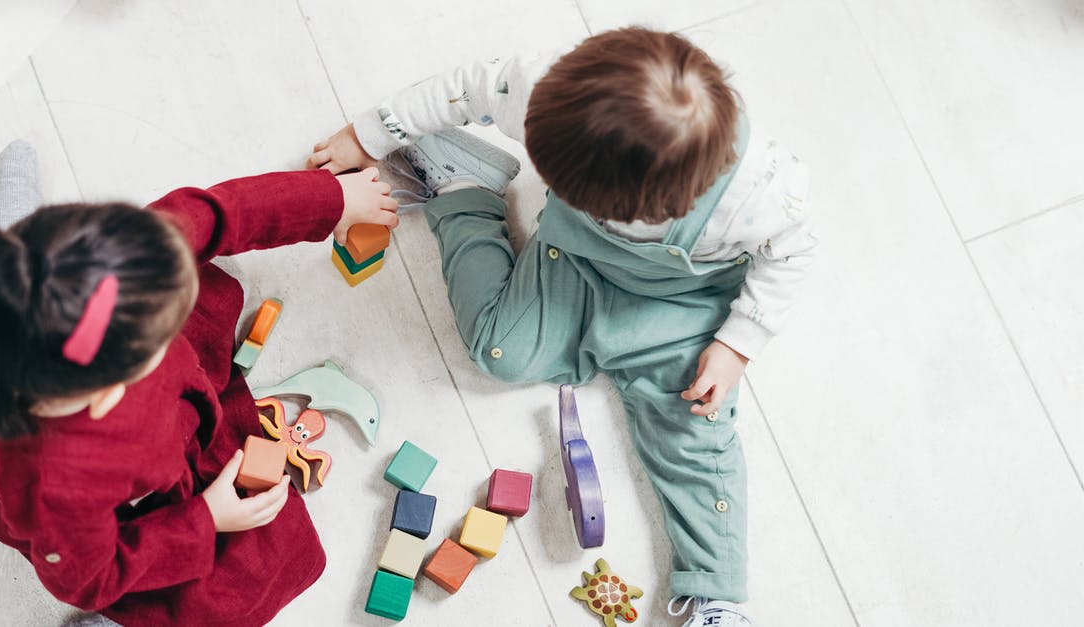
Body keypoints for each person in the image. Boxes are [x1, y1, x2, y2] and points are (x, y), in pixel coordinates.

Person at [307, 27, 817, 625]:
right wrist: (367, 134)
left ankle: (717, 593)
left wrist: (737, 345)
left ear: (673, 202)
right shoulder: (547, 85)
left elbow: (791, 254)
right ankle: (466, 185)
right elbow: (464, 87)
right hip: (573, 260)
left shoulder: (760, 189)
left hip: (681, 305)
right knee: (500, 352)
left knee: (694, 428)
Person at [0, 140, 398, 626]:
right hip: (123, 503)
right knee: (241, 584)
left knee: (199, 286)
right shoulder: (53, 486)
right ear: (107, 391)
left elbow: (220, 212)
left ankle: (10, 236)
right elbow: (85, 578)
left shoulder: (125, 265)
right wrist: (205, 521)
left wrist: (334, 199)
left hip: (43, 346)